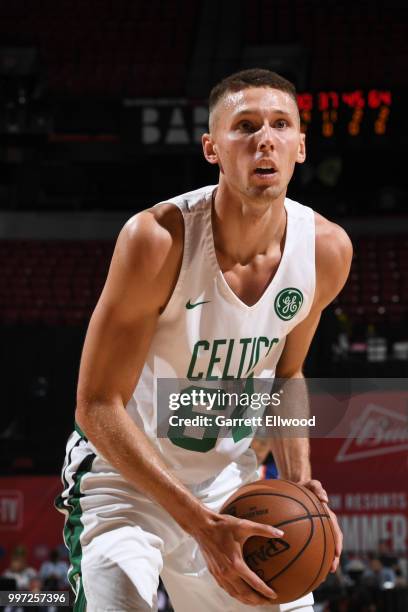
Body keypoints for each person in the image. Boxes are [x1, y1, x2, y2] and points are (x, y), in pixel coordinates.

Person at [56, 68, 351, 611]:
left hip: (229, 485)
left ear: (301, 147)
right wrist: (199, 524)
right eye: (245, 126)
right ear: (212, 148)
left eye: (281, 124)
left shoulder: (326, 250)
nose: (265, 138)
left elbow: (287, 376)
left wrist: (299, 483)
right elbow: (96, 406)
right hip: (126, 483)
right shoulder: (157, 238)